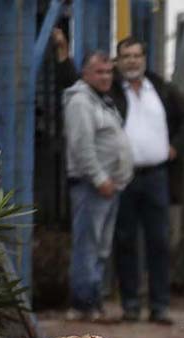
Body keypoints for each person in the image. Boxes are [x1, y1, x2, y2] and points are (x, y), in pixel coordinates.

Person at [110, 37, 184, 325]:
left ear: (145, 59)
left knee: (159, 241)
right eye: (126, 56)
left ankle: (159, 306)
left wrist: (177, 147)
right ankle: (130, 304)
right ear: (118, 61)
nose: (132, 61)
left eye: (136, 55)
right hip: (124, 177)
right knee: (125, 241)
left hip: (157, 176)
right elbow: (77, 84)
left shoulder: (160, 89)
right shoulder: (110, 90)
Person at [63, 51, 134, 321]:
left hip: (109, 186)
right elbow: (81, 146)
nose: (105, 77)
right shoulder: (81, 101)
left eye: (108, 72)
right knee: (88, 245)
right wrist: (99, 178)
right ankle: (82, 303)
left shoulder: (101, 100)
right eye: (99, 72)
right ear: (85, 74)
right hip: (92, 185)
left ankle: (93, 300)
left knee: (100, 247)